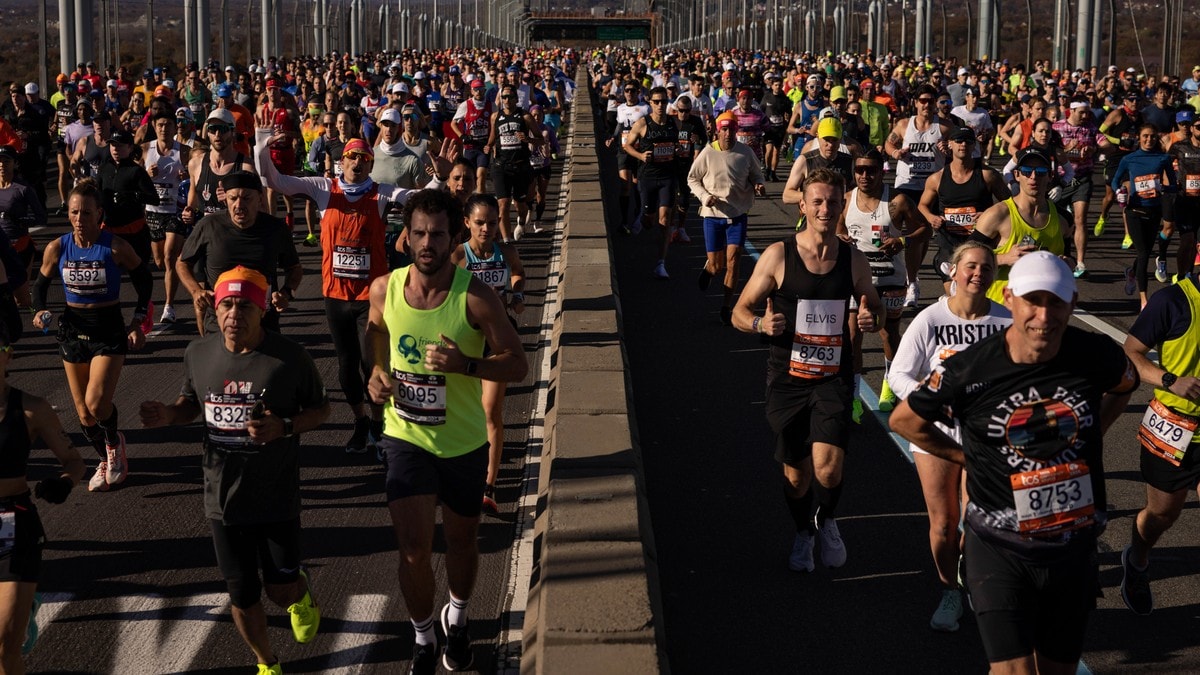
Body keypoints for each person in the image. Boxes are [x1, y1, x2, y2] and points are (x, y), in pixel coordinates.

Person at [890, 251, 1138, 675]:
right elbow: (904, 420)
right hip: (999, 548)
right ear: (1010, 298)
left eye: (1056, 302)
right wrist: (963, 455)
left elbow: (1126, 383)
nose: (1044, 315)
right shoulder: (970, 367)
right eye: (1032, 301)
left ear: (1073, 302)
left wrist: (1094, 427)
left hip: (1072, 548)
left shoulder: (1094, 353)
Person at [365, 189, 527, 674]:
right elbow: (376, 331)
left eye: (438, 233)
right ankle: (421, 638)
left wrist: (467, 364)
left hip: (463, 442)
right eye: (419, 233)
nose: (428, 243)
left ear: (452, 235)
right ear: (405, 237)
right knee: (413, 549)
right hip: (406, 438)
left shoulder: (476, 296)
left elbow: (517, 364)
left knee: (461, 541)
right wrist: (375, 373)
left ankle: (457, 616)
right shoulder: (384, 289)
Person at [139, 266, 329, 675]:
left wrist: (286, 427)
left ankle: (300, 593)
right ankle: (267, 663)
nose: (233, 313)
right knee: (242, 593)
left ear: (261, 311)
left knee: (279, 588)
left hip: (276, 495)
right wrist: (168, 415)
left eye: (245, 305)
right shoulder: (199, 353)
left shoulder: (290, 359)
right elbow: (191, 403)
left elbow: (322, 410)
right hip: (222, 498)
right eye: (226, 304)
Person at [731, 168, 882, 573]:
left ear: (842, 205)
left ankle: (827, 520)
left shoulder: (853, 259)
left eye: (833, 202)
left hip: (833, 377)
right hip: (787, 379)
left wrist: (873, 320)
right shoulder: (779, 255)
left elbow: (875, 308)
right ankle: (803, 531)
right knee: (797, 477)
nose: (825, 209)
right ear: (803, 205)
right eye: (817, 201)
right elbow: (739, 312)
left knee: (828, 467)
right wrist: (761, 325)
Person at [259, 131, 448, 454]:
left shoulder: (380, 193)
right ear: (341, 161)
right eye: (352, 157)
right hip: (335, 296)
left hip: (370, 299)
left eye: (364, 158)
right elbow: (274, 181)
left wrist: (441, 178)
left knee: (370, 363)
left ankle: (378, 424)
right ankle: (362, 422)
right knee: (345, 366)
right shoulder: (323, 188)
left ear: (371, 164)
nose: (357, 162)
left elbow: (419, 199)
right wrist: (261, 144)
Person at [887, 242, 1012, 632]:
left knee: (979, 523)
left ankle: (976, 581)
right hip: (937, 434)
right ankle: (949, 591)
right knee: (943, 523)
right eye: (970, 266)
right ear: (953, 272)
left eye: (986, 268)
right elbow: (898, 375)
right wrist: (932, 402)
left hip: (986, 437)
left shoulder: (1006, 322)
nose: (978, 273)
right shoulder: (930, 319)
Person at [31, 180, 153, 491]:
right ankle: (105, 458)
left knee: (97, 403)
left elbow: (144, 280)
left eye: (86, 213)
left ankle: (114, 444)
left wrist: (138, 321)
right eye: (74, 212)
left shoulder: (116, 247)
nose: (79, 219)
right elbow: (39, 287)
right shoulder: (57, 247)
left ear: (99, 213)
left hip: (108, 332)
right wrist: (40, 310)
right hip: (72, 332)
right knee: (84, 414)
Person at [0, 321, 86, 664]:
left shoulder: (32, 409)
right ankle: (23, 606)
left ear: (8, 356)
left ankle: (18, 612)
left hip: (13, 524)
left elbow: (74, 461)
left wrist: (64, 483)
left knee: (5, 646)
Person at [1118, 271, 1200, 617]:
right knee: (1162, 514)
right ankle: (1136, 559)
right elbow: (1131, 353)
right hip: (1173, 428)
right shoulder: (1173, 300)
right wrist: (1170, 380)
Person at [449, 194, 526, 513]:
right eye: (480, 223)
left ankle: (488, 486)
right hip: (465, 339)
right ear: (467, 223)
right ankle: (461, 469)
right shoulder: (458, 256)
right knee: (460, 410)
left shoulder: (505, 251)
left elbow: (518, 273)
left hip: (498, 339)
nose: (486, 229)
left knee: (490, 410)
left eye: (492, 223)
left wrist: (516, 293)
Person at [840, 149, 926, 414]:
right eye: (860, 170)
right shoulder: (846, 199)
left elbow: (925, 229)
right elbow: (837, 228)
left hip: (891, 276)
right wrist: (841, 238)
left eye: (871, 170)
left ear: (882, 171)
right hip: (856, 278)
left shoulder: (898, 201)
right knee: (853, 335)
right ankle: (854, 394)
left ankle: (889, 383)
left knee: (888, 333)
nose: (865, 175)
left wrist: (902, 240)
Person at [177, 171, 303, 336]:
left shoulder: (276, 229)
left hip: (262, 322)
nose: (239, 205)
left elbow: (294, 268)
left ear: (260, 199)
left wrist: (286, 293)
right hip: (219, 321)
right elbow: (183, 263)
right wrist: (196, 292)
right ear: (226, 200)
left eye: (246, 198)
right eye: (233, 198)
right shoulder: (209, 225)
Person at [688, 112, 765, 324]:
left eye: (732, 129)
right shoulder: (708, 152)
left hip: (737, 214)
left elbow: (757, 174)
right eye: (724, 129)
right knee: (717, 265)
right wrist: (705, 197)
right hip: (713, 215)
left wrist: (758, 184)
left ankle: (726, 306)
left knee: (734, 260)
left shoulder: (745, 152)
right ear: (717, 131)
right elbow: (692, 179)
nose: (728, 134)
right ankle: (709, 269)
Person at [919, 126, 1011, 295]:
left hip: (980, 240)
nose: (963, 144)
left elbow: (1010, 204)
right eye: (959, 140)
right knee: (950, 281)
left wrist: (988, 215)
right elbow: (922, 205)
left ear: (974, 145)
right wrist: (931, 217)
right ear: (950, 145)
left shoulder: (987, 175)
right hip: (949, 240)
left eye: (968, 141)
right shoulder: (936, 178)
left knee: (975, 288)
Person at [886, 84, 954, 307]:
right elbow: (889, 142)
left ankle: (911, 277)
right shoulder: (905, 125)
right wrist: (895, 152)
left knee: (922, 237)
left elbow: (962, 149)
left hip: (931, 188)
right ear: (915, 102)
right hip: (906, 185)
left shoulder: (944, 127)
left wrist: (949, 151)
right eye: (922, 100)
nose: (926, 104)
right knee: (909, 234)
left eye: (930, 101)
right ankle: (910, 281)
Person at [972, 147, 1066, 303]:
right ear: (1016, 175)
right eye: (1027, 171)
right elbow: (963, 260)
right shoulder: (998, 215)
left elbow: (1068, 256)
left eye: (1041, 171)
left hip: (1039, 311)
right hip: (998, 310)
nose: (1033, 177)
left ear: (1050, 176)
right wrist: (1004, 258)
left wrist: (1067, 262)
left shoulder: (1063, 219)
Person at [1110, 124, 1174, 310]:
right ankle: (1144, 299)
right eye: (1145, 136)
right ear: (1139, 137)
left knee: (1144, 250)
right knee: (1144, 253)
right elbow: (1115, 180)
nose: (1149, 140)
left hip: (1154, 212)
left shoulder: (1163, 158)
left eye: (1153, 136)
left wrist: (1164, 188)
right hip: (1134, 211)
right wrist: (1119, 191)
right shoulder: (1129, 159)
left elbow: (1173, 186)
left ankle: (1131, 272)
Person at [624, 86, 683, 280]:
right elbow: (627, 145)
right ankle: (643, 216)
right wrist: (640, 155)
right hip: (648, 177)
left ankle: (661, 263)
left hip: (668, 176)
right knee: (649, 221)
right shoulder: (642, 124)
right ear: (650, 103)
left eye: (663, 101)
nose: (660, 105)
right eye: (656, 101)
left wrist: (678, 151)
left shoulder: (675, 123)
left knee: (665, 220)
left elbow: (681, 145)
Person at [142, 113, 190, 324]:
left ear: (175, 127)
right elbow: (136, 178)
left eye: (169, 124)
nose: (164, 129)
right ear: (154, 126)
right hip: (153, 211)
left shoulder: (184, 151)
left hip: (175, 210)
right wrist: (147, 174)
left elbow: (194, 176)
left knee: (170, 257)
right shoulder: (146, 149)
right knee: (160, 261)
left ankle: (168, 307)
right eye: (161, 125)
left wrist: (186, 175)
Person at [1053, 100, 1107, 278]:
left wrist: (1094, 148)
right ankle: (1057, 257)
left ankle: (1081, 262)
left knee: (1080, 219)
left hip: (1082, 179)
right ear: (1072, 111)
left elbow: (1106, 144)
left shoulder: (1091, 128)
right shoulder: (1057, 128)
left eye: (1087, 113)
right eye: (1082, 112)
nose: (1086, 116)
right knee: (1057, 220)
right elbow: (1049, 149)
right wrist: (1067, 150)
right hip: (1060, 180)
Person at [486, 84, 542, 242]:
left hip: (521, 165)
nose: (506, 100)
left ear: (516, 99)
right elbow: (492, 137)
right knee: (502, 204)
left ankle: (522, 221)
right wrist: (487, 146)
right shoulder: (495, 117)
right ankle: (506, 240)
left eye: (509, 97)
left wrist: (528, 139)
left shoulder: (525, 116)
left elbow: (541, 139)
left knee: (520, 204)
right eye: (503, 97)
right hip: (501, 166)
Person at [1165, 110, 1200, 281]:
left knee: (1197, 244)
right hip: (1184, 200)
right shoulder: (1179, 146)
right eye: (1199, 127)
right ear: (1192, 129)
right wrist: (1169, 182)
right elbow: (1165, 165)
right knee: (1187, 241)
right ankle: (1180, 275)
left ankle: (1191, 276)